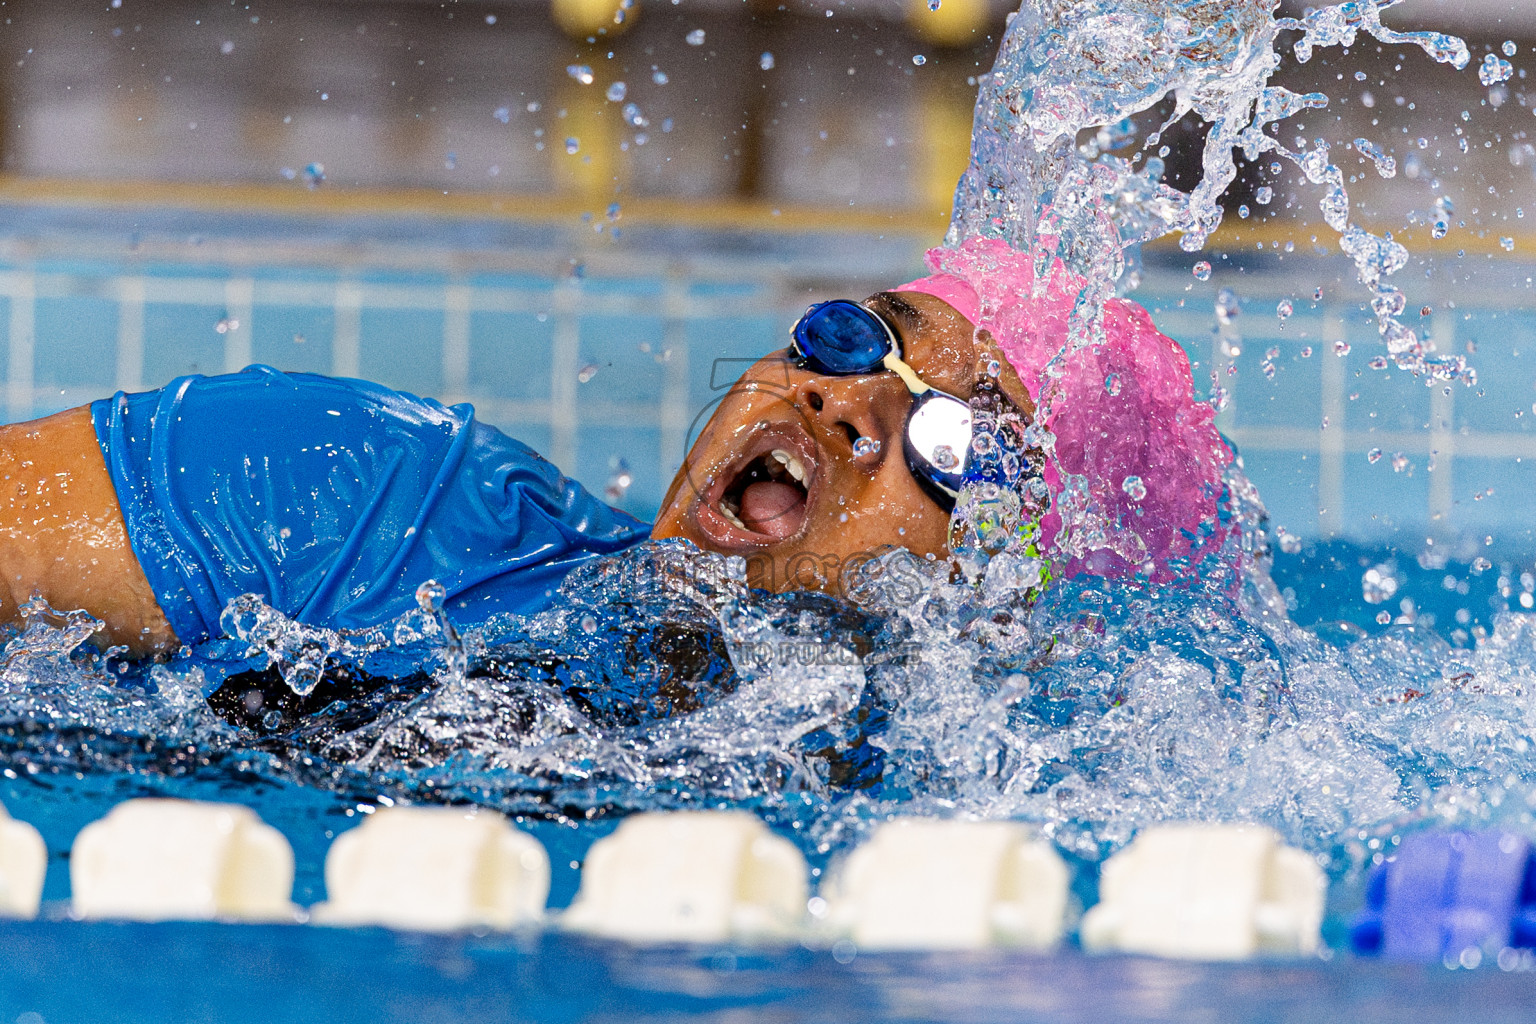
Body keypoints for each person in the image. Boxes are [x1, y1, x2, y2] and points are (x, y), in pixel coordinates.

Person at [0, 237, 1231, 658]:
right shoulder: (350, 490)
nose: (850, 408)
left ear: (1004, 598)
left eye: (956, 440)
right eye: (857, 340)